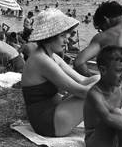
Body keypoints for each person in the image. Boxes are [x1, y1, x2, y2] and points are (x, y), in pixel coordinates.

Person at [21, 9, 100, 137]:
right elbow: (80, 91)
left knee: (97, 79)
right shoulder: (42, 60)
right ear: (50, 37)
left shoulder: (50, 56)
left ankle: (121, 124)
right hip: (48, 123)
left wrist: (106, 83)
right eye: (62, 36)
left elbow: (82, 79)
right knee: (100, 91)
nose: (67, 40)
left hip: (54, 112)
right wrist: (115, 91)